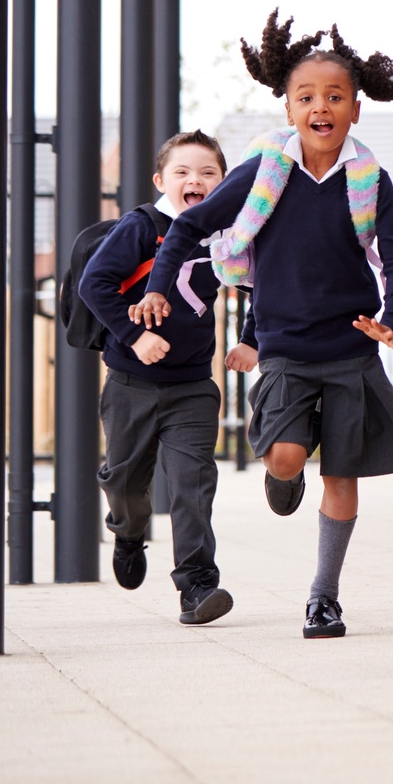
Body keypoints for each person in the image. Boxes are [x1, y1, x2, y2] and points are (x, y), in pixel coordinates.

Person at [135, 12, 393, 641]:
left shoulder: (369, 180)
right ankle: (281, 471)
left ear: (354, 110)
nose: (321, 107)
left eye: (335, 97)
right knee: (289, 459)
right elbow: (188, 225)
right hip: (286, 348)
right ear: (289, 109)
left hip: (349, 347)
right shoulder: (266, 171)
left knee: (340, 476)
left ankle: (323, 598)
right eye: (307, 97)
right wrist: (158, 286)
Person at [78, 131, 247, 625]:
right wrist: (134, 337)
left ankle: (197, 587)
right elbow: (95, 284)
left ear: (222, 183)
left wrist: (253, 338)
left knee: (193, 486)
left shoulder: (226, 233)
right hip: (131, 383)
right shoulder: (142, 227)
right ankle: (128, 531)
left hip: (193, 386)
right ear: (161, 180)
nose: (195, 180)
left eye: (208, 173)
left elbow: (262, 280)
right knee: (126, 481)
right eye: (182, 172)